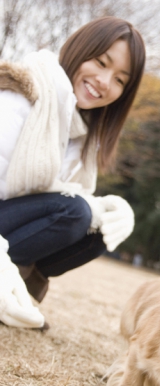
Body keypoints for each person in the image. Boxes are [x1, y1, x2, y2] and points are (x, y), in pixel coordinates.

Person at [0, 16, 146, 329]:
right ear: (79, 49)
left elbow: (60, 196)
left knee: (97, 228)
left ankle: (17, 295)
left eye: (121, 79)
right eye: (101, 62)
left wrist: (111, 207)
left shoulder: (82, 132)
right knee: (76, 212)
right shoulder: (21, 95)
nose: (105, 82)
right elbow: (64, 206)